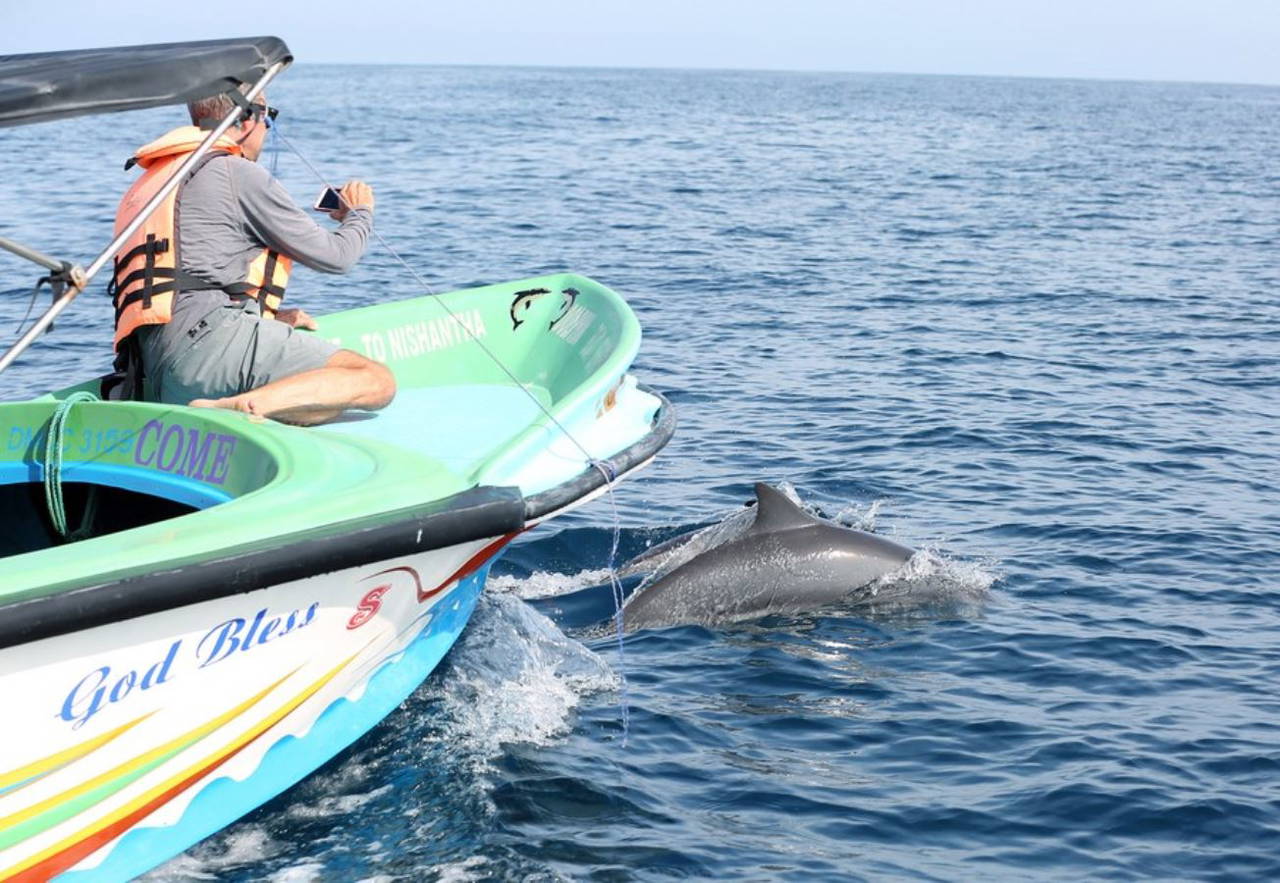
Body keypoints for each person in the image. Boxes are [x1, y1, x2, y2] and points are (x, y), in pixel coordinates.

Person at [107, 88, 395, 425]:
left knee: (318, 403)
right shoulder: (235, 172)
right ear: (247, 118)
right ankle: (246, 405)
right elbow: (338, 256)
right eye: (268, 116)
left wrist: (265, 319)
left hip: (149, 369)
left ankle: (242, 402)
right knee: (375, 381)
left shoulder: (155, 177)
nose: (268, 128)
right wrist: (360, 212)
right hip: (204, 352)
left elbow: (187, 286)